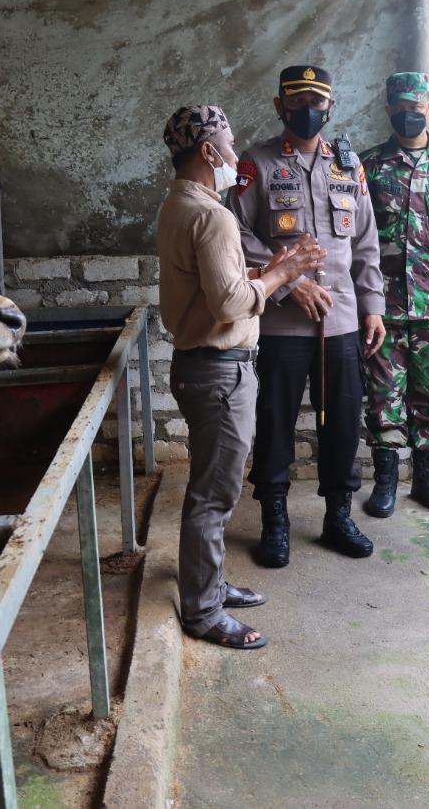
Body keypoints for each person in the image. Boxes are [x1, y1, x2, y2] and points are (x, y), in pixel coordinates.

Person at [157, 105, 325, 649]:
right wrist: (283, 273)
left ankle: (208, 583)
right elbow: (229, 303)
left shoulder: (180, 205)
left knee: (212, 486)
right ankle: (203, 611)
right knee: (215, 494)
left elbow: (218, 282)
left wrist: (272, 268)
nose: (235, 156)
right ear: (209, 152)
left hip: (203, 369)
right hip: (219, 372)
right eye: (229, 147)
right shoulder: (213, 215)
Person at [231, 65, 386, 568]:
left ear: (330, 108)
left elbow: (365, 243)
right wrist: (291, 284)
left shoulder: (349, 165)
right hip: (280, 324)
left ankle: (337, 514)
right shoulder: (255, 163)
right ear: (279, 107)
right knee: (274, 421)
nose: (308, 110)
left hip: (340, 322)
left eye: (317, 102)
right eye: (296, 101)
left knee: (342, 421)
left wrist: (373, 308)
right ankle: (274, 518)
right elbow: (237, 233)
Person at [359, 71, 429, 519]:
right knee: (383, 396)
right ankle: (385, 482)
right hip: (382, 308)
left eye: (417, 107)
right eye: (401, 108)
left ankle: (426, 481)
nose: (410, 114)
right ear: (389, 111)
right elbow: (357, 238)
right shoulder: (368, 165)